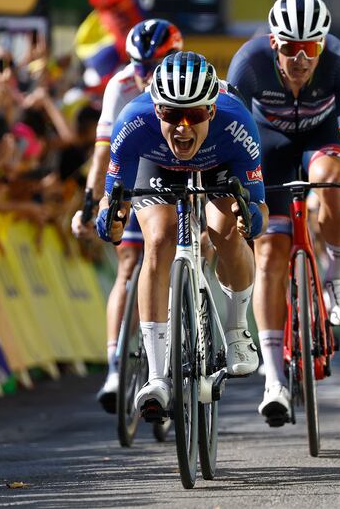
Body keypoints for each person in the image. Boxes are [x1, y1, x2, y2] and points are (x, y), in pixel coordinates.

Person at [227, 0, 340, 425]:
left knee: (333, 180)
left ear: (322, 45)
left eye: (309, 48)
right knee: (269, 255)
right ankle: (273, 380)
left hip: (320, 139)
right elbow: (227, 133)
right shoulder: (248, 62)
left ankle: (339, 276)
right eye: (290, 48)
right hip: (264, 145)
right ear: (274, 44)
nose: (299, 59)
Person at [96, 51, 267, 417]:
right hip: (155, 165)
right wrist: (109, 218)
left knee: (227, 233)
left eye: (195, 115)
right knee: (157, 241)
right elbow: (115, 198)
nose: (183, 127)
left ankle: (238, 329)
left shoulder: (237, 121)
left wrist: (250, 216)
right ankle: (156, 375)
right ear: (157, 110)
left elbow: (259, 209)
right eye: (172, 115)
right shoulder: (133, 120)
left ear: (213, 111)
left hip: (219, 162)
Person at [71, 18, 183, 413]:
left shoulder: (193, 79)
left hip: (189, 168)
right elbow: (104, 151)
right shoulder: (121, 85)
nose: (147, 75)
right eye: (140, 64)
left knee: (190, 248)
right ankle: (117, 368)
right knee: (130, 262)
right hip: (138, 172)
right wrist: (90, 202)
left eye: (157, 64)